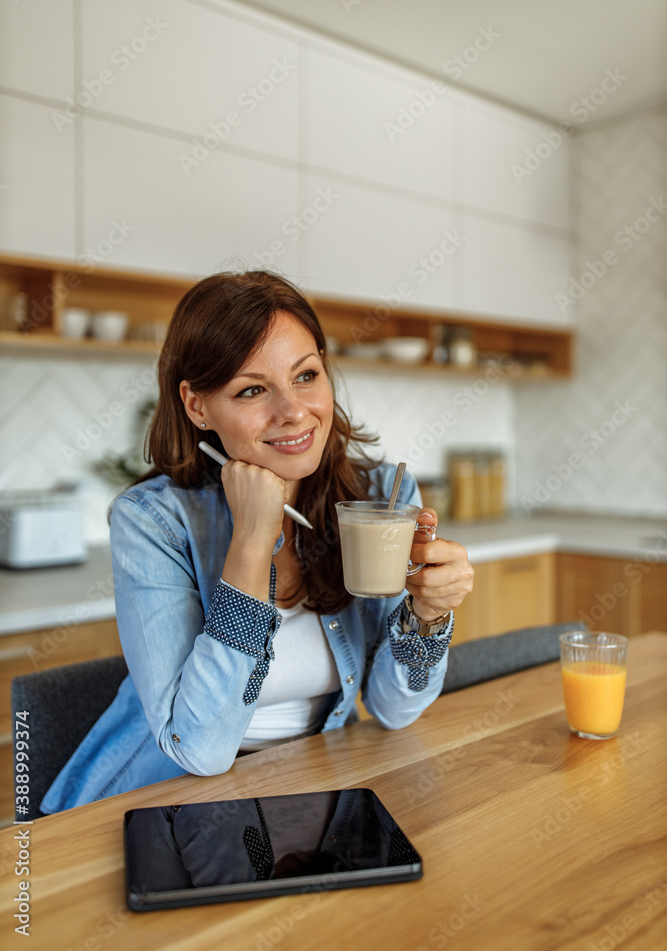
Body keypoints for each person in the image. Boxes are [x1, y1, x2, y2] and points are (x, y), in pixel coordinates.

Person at [41, 271, 473, 814]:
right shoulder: (153, 521)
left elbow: (393, 709)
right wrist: (250, 541)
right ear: (197, 406)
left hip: (315, 787)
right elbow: (200, 751)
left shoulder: (381, 497)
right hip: (158, 802)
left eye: (306, 375)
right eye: (252, 389)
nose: (293, 411)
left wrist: (427, 617)